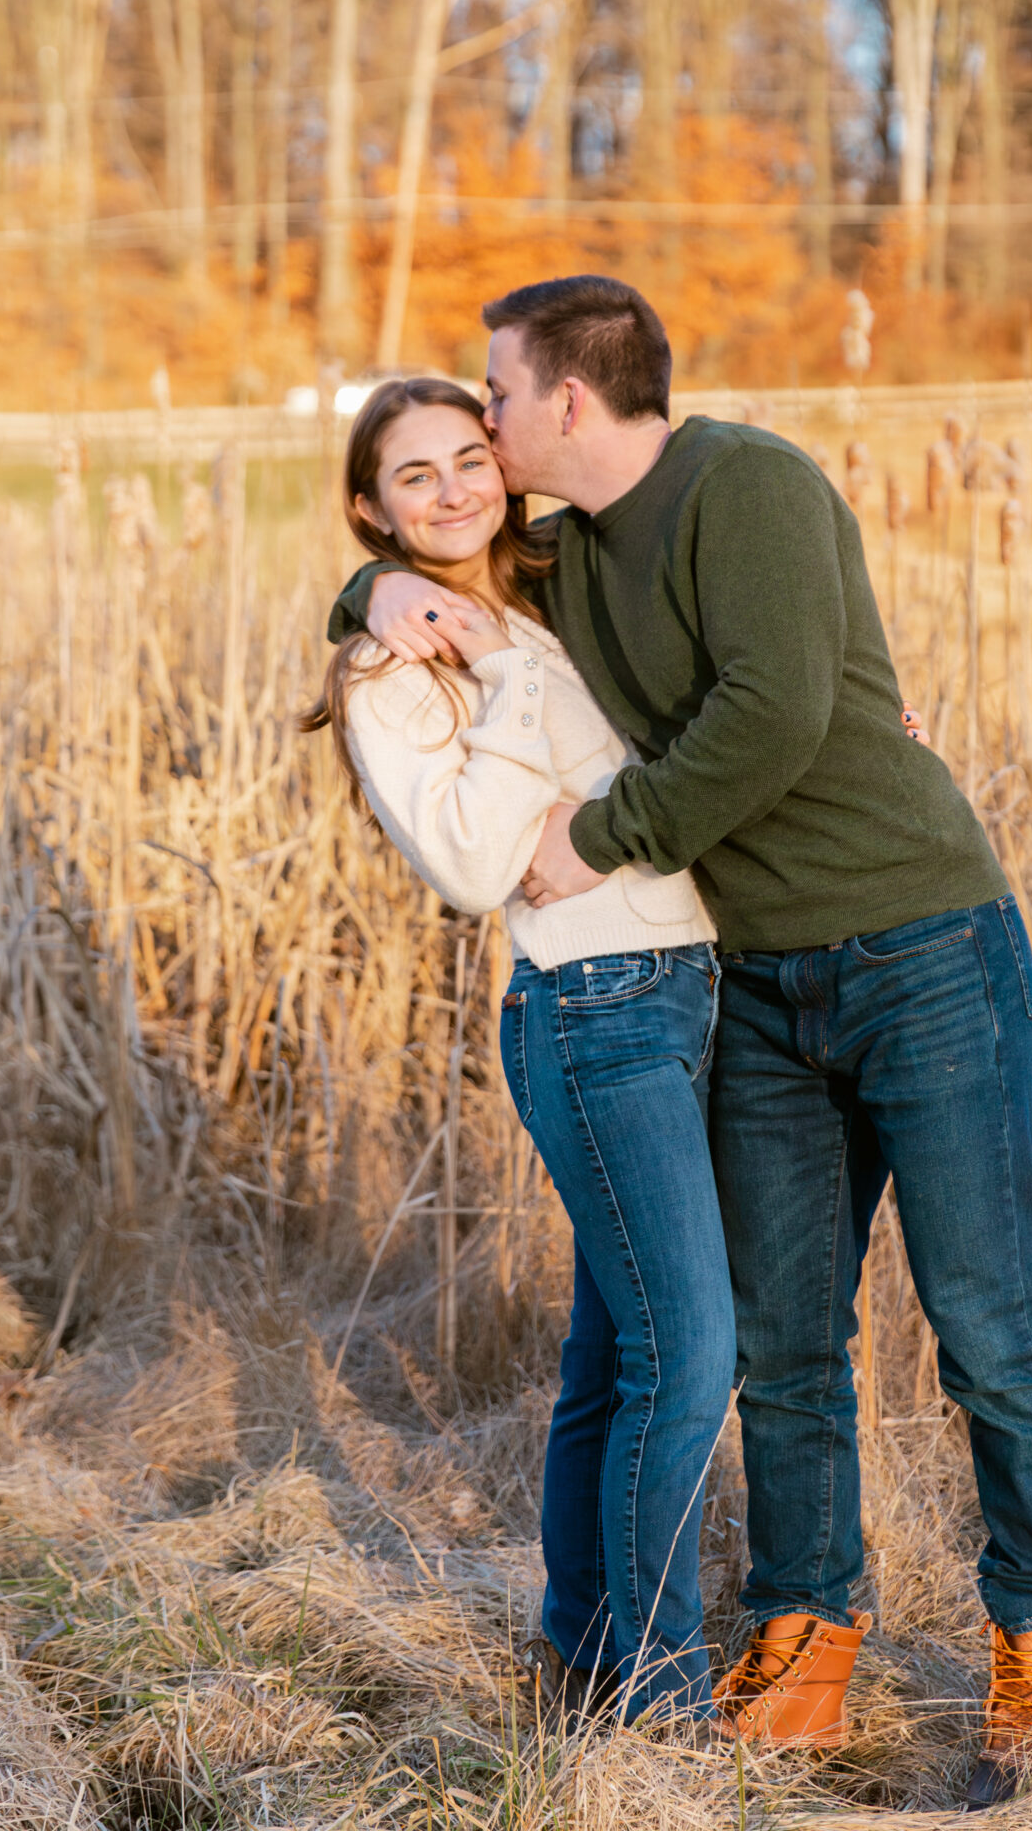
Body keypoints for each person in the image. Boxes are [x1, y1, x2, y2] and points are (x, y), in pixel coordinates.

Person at [329, 279, 1032, 1808]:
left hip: (920, 947)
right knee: (784, 1342)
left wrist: (599, 834)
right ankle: (807, 1628)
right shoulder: (567, 553)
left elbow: (776, 711)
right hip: (750, 982)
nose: (479, 421)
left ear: (565, 400)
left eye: (495, 392)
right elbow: (427, 574)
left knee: (985, 1317)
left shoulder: (747, 484)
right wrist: (359, 598)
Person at [304, 375, 733, 1728]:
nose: (450, 489)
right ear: (370, 509)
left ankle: (583, 1653)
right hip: (591, 1008)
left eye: (468, 458)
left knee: (618, 1360)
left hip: (701, 987)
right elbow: (477, 860)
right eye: (412, 475)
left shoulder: (573, 583)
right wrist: (480, 672)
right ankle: (662, 1698)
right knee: (691, 1348)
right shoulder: (395, 671)